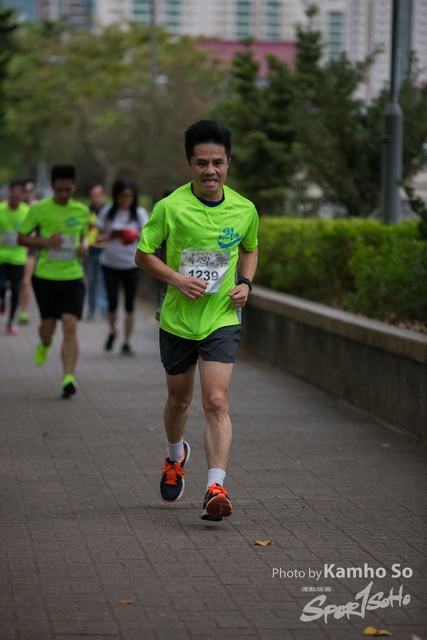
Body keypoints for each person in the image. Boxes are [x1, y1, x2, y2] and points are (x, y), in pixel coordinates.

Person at [135, 120, 259, 521]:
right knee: (179, 400)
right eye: (202, 163)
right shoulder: (170, 207)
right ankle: (175, 456)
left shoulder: (244, 209)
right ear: (190, 164)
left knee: (216, 401)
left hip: (221, 317)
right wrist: (176, 279)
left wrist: (246, 284)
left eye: (217, 162)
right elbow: (143, 255)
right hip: (177, 320)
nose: (210, 171)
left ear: (228, 163)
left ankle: (215, 487)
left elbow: (250, 248)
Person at [17, 164, 89, 398]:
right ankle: (45, 343)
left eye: (68, 189)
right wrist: (46, 242)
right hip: (45, 277)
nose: (64, 194)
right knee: (48, 328)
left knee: (70, 324)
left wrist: (84, 248)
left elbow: (84, 238)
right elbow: (21, 238)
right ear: (52, 187)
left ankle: (68, 377)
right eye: (59, 190)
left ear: (74, 187)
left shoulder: (81, 210)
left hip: (73, 276)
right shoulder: (39, 209)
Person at [97, 179, 148, 355]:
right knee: (112, 303)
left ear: (133, 197)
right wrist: (112, 235)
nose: (124, 199)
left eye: (128, 196)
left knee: (129, 304)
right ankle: (112, 330)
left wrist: (133, 235)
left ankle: (126, 341)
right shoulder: (107, 213)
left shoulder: (139, 214)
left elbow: (148, 237)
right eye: (121, 196)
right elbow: (97, 237)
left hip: (131, 264)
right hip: (109, 264)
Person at [0, 180, 29, 334]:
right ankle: (3, 299)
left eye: (19, 192)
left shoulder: (27, 211)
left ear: (23, 194)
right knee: (1, 286)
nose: (16, 195)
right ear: (9, 192)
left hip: (18, 256)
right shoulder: (1, 209)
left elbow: (32, 232)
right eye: (14, 191)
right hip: (1, 256)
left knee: (16, 288)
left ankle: (11, 322)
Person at [84, 183, 108, 319]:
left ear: (103, 196)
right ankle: (92, 310)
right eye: (93, 195)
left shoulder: (108, 212)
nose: (96, 198)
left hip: (104, 251)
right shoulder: (86, 212)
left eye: (99, 195)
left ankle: (105, 309)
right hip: (90, 251)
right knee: (91, 281)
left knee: (102, 281)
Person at [17, 179, 38, 324]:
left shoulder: (38, 208)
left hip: (30, 249)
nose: (27, 194)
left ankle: (23, 310)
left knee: (26, 280)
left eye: (30, 191)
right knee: (15, 282)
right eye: (25, 191)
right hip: (12, 249)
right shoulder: (12, 207)